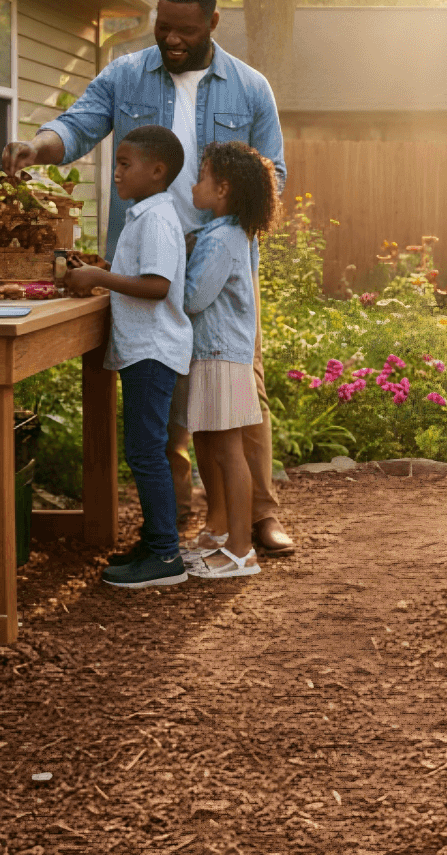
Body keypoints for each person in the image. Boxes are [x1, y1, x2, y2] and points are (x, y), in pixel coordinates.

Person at [4, 0, 295, 557]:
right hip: (148, 259)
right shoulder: (126, 75)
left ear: (212, 22)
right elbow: (78, 124)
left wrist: (219, 235)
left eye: (185, 30)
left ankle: (259, 515)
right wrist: (39, 146)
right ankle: (181, 517)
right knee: (160, 382)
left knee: (237, 389)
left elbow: (274, 176)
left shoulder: (250, 87)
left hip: (217, 260)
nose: (172, 39)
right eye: (163, 26)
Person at [63, 126, 192, 589]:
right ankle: (154, 540)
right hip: (145, 349)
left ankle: (164, 556)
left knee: (146, 451)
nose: (116, 173)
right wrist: (103, 270)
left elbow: (156, 287)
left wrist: (101, 274)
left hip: (154, 350)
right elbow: (141, 275)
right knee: (144, 450)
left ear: (157, 172)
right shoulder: (147, 215)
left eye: (124, 164)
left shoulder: (156, 219)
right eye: (116, 163)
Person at [178, 141, 276, 579]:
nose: (194, 186)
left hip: (219, 355)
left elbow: (195, 298)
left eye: (201, 177)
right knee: (217, 446)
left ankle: (240, 552)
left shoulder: (221, 240)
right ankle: (226, 539)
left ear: (222, 189)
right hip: (215, 354)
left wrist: (172, 269)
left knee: (229, 451)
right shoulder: (225, 234)